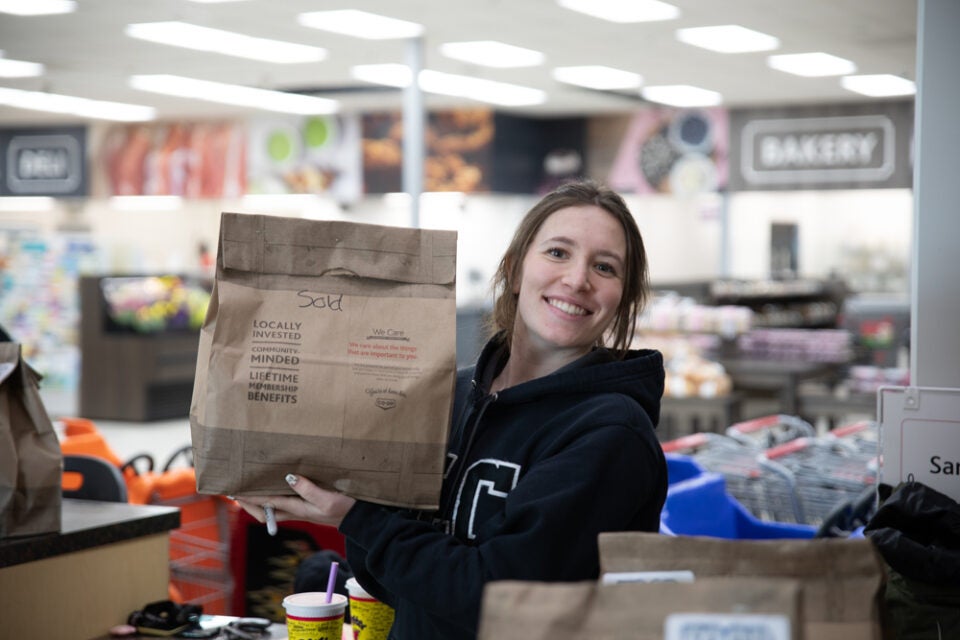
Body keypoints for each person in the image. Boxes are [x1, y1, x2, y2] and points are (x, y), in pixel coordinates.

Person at [237, 179, 668, 639]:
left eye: (605, 267)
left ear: (622, 298)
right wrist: (328, 485)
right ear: (516, 270)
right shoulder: (450, 395)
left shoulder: (611, 434)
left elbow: (499, 600)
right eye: (558, 253)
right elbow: (395, 581)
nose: (578, 279)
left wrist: (357, 517)